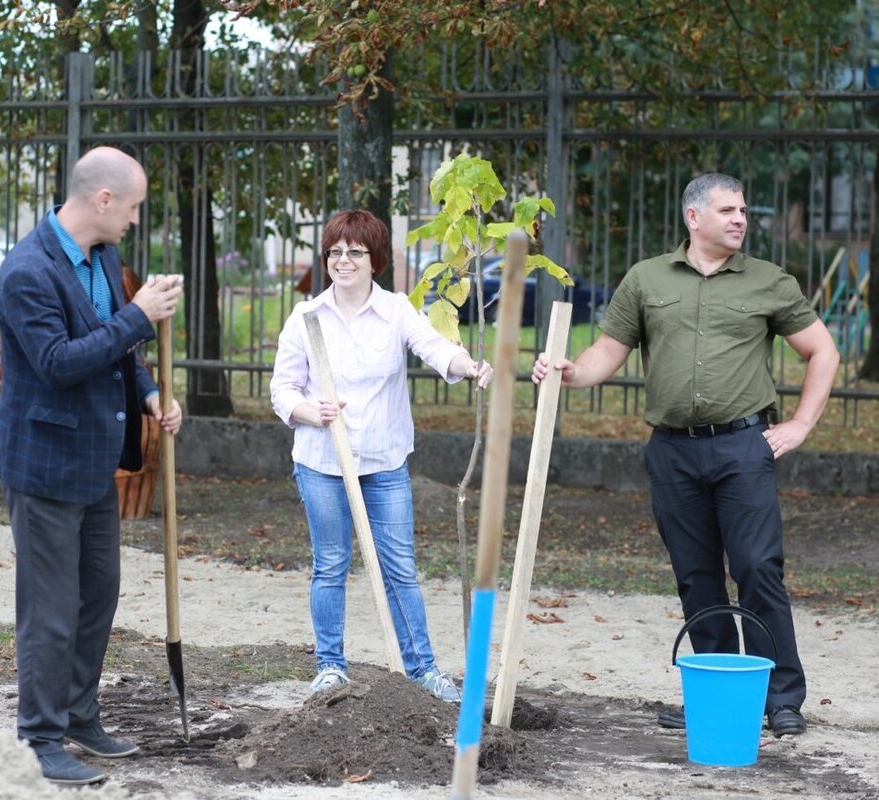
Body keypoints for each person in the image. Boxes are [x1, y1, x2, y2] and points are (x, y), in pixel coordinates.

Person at [533, 173, 839, 737]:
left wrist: (800, 424)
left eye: (743, 210)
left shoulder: (769, 281)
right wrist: (571, 372)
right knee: (697, 578)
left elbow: (822, 350)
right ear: (693, 218)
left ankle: (782, 699)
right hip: (673, 452)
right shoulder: (647, 279)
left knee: (756, 570)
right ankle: (719, 688)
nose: (740, 219)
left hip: (744, 448)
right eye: (727, 210)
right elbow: (607, 351)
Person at [0, 147, 183, 785]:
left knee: (97, 595)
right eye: (131, 207)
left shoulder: (103, 257)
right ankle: (38, 737)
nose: (134, 220)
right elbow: (59, 362)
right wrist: (139, 317)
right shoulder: (27, 271)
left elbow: (118, 352)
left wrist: (152, 393)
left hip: (95, 461)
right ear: (103, 200)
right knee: (49, 607)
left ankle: (77, 714)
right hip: (44, 465)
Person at [270, 209, 493, 702]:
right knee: (330, 563)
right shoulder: (306, 317)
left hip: (385, 462)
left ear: (375, 261)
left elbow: (435, 348)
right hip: (322, 461)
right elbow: (282, 391)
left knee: (399, 567)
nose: (343, 261)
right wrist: (313, 411)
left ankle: (423, 670)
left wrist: (469, 365)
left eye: (355, 252)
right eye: (335, 252)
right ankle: (330, 667)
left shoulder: (396, 311)